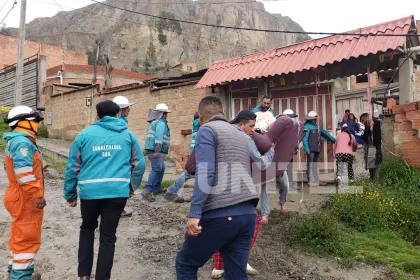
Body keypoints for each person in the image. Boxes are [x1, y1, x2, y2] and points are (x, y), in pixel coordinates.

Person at [176, 96, 259, 280]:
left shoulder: (207, 129)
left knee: (185, 263)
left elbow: (205, 173)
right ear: (222, 113)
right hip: (247, 214)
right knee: (236, 274)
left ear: (201, 117)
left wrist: (195, 213)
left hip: (220, 213)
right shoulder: (240, 133)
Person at [64, 100, 145, 280]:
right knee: (108, 237)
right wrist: (131, 186)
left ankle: (84, 275)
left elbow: (72, 168)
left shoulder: (84, 136)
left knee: (87, 229)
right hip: (117, 193)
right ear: (118, 114)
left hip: (90, 194)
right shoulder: (128, 136)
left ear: (97, 116)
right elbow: (139, 165)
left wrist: (70, 194)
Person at [211, 110, 275, 279]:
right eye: (251, 126)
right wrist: (271, 151)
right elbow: (261, 164)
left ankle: (218, 266)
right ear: (240, 124)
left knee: (222, 223)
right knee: (251, 223)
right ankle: (239, 259)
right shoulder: (245, 138)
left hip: (219, 186)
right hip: (238, 189)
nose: (253, 130)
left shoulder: (223, 133)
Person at [3, 106, 46, 280]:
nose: (36, 124)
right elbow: (23, 173)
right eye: (34, 121)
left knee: (19, 233)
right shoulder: (22, 142)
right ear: (23, 123)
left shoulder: (16, 141)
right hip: (25, 196)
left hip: (17, 193)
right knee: (27, 237)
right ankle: (20, 276)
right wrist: (37, 195)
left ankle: (15, 270)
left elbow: (16, 167)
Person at [164, 112, 199, 203]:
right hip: (198, 154)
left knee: (195, 174)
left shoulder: (196, 125)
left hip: (195, 153)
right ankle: (171, 191)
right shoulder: (201, 124)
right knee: (190, 173)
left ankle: (197, 196)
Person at [112, 95, 136, 217]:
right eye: (127, 108)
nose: (129, 110)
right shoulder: (120, 123)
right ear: (121, 110)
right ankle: (118, 210)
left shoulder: (120, 122)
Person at [142, 104, 171, 202]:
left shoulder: (155, 122)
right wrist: (157, 151)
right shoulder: (161, 123)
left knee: (161, 168)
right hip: (155, 150)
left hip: (155, 150)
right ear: (162, 114)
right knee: (157, 169)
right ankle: (147, 190)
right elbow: (158, 139)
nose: (167, 115)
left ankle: (157, 188)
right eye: (166, 113)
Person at [303, 111, 336, 187]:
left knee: (315, 165)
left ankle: (317, 181)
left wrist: (335, 141)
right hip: (310, 150)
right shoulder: (307, 126)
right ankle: (311, 182)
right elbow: (305, 139)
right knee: (310, 165)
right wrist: (307, 149)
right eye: (315, 118)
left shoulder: (317, 126)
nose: (316, 119)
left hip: (316, 149)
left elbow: (326, 134)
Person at [360, 113, 382, 180]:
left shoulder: (370, 123)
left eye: (363, 120)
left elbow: (366, 135)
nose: (363, 122)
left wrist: (362, 137)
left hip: (373, 145)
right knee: (374, 162)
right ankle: (374, 177)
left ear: (366, 117)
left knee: (372, 161)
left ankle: (373, 177)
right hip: (375, 144)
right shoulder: (375, 122)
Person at [282, 109, 299, 190]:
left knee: (289, 167)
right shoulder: (281, 126)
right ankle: (284, 184)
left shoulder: (293, 126)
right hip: (283, 150)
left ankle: (290, 183)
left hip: (290, 150)